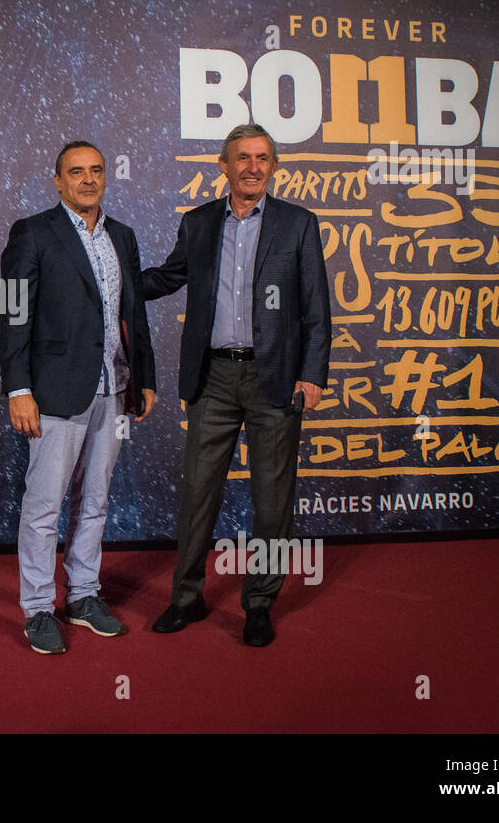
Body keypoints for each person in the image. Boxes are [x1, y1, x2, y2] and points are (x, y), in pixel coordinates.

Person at [142, 123, 330, 646]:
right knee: (199, 492)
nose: (253, 167)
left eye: (263, 158)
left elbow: (316, 308)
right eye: (242, 157)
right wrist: (113, 281)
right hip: (213, 378)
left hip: (276, 379)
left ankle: (260, 603)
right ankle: (186, 598)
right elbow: (168, 277)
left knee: (273, 500)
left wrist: (312, 374)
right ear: (223, 166)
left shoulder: (298, 224)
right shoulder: (199, 223)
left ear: (273, 167)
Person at [0, 141, 156, 654]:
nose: (88, 180)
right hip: (55, 391)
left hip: (113, 386)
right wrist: (18, 388)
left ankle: (84, 596)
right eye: (76, 172)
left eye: (96, 171)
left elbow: (133, 314)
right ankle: (39, 607)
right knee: (44, 506)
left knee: (95, 501)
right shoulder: (34, 232)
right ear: (58, 180)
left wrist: (145, 377)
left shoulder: (123, 238)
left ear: (105, 177)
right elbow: (14, 313)